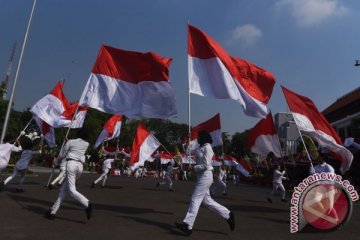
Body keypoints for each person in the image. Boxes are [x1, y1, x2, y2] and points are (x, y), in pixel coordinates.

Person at [175, 130, 235, 236]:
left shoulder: (207, 148)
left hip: (205, 176)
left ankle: (188, 225)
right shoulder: (200, 147)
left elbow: (206, 165)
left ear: (203, 138)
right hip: (201, 177)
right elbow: (188, 151)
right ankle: (228, 214)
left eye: (198, 137)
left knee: (195, 199)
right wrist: (187, 141)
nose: (197, 138)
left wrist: (193, 168)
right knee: (207, 201)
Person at [45, 130, 92, 220]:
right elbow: (75, 147)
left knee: (71, 190)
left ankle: (87, 204)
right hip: (80, 167)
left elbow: (62, 153)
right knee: (63, 190)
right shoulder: (86, 144)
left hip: (71, 164)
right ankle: (52, 212)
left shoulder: (71, 142)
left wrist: (57, 162)